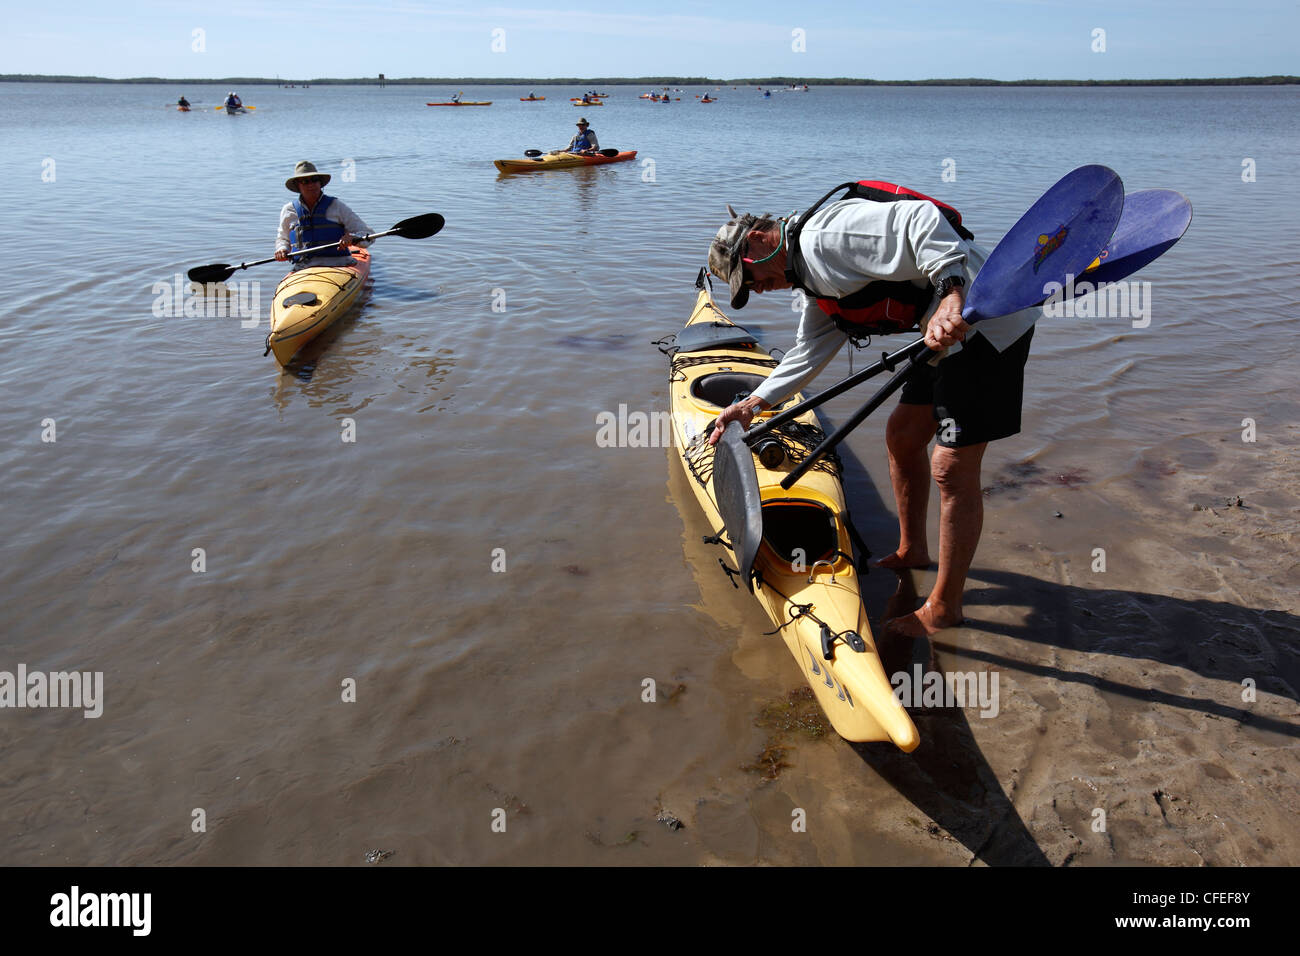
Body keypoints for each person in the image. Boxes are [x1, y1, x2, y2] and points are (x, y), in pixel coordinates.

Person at [706, 195, 1039, 642]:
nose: (759, 291)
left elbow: (920, 219)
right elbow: (808, 352)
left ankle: (944, 609)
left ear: (760, 242)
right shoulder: (812, 279)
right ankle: (911, 551)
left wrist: (950, 294)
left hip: (987, 321)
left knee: (951, 466)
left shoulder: (827, 237)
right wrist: (753, 405)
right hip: (939, 332)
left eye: (751, 280)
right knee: (902, 436)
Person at [274, 161, 372, 269]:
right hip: (303, 268)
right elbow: (283, 239)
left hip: (340, 264)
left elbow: (369, 235)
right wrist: (281, 249)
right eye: (305, 181)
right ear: (298, 186)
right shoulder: (288, 210)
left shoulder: (337, 206)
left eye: (314, 180)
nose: (311, 184)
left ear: (320, 183)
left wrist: (353, 237)